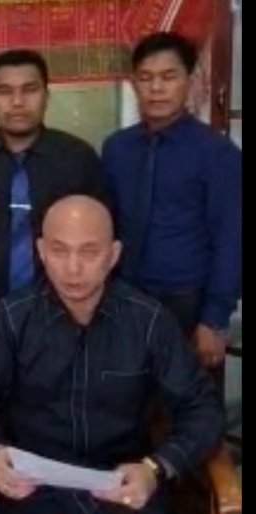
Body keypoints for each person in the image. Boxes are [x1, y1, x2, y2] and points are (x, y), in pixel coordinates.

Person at [0, 193, 223, 514]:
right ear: (41, 251)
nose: (73, 268)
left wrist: (155, 468)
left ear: (113, 255)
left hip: (122, 484)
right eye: (59, 251)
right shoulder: (13, 317)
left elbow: (203, 409)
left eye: (89, 252)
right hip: (30, 487)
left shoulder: (149, 321)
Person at [0, 49, 106, 356]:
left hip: (62, 309)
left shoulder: (77, 158)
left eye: (29, 90)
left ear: (46, 95)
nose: (17, 102)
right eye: (5, 92)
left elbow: (102, 239)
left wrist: (91, 305)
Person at [102, 31, 242, 369]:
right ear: (134, 83)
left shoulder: (217, 153)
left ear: (190, 81)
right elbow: (107, 223)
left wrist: (214, 317)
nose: (156, 88)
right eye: (146, 78)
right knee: (126, 392)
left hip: (187, 300)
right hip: (124, 295)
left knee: (186, 395)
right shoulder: (116, 149)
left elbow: (232, 237)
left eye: (168, 77)